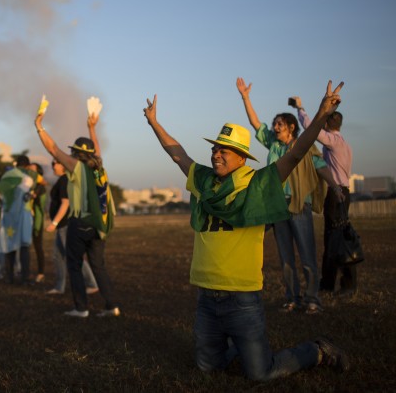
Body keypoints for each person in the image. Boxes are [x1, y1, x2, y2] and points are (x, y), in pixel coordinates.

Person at [143, 81, 350, 381]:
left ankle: (316, 349)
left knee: (260, 373)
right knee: (207, 367)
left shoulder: (258, 184)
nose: (216, 154)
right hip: (206, 296)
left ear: (242, 157)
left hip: (242, 298)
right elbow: (178, 154)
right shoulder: (203, 180)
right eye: (215, 148)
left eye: (225, 150)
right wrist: (154, 123)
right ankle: (237, 344)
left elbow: (294, 156)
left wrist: (319, 115)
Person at [237, 78, 342, 314]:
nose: (275, 127)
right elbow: (255, 124)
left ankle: (312, 298)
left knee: (306, 254)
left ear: (291, 127)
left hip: (298, 205)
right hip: (276, 206)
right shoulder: (274, 145)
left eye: (280, 124)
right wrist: (245, 97)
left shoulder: (303, 145)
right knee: (285, 257)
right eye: (275, 124)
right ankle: (292, 297)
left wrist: (334, 186)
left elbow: (320, 166)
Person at [35, 109, 119, 318]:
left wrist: (39, 127)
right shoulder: (99, 167)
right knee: (99, 266)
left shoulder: (76, 167)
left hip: (80, 222)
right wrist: (92, 128)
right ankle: (112, 306)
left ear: (75, 154)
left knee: (74, 264)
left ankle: (81, 308)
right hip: (100, 225)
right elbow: (97, 150)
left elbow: (54, 149)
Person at [290, 97, 356, 295]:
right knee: (338, 239)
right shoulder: (344, 143)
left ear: (327, 124)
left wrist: (300, 107)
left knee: (336, 240)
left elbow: (311, 128)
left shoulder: (333, 141)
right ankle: (334, 283)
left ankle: (336, 284)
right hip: (343, 192)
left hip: (337, 194)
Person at [45, 158, 99, 296]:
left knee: (74, 256)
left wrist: (54, 223)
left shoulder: (64, 180)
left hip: (65, 226)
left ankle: (92, 284)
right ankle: (59, 287)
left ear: (62, 166)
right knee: (58, 257)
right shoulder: (61, 180)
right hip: (61, 227)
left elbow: (65, 203)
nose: (52, 167)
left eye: (54, 164)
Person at [0, 155, 40, 284]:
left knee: (10, 245)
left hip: (8, 214)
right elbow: (39, 180)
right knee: (24, 246)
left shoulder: (7, 175)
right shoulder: (29, 175)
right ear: (27, 165)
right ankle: (25, 277)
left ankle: (9, 277)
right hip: (24, 213)